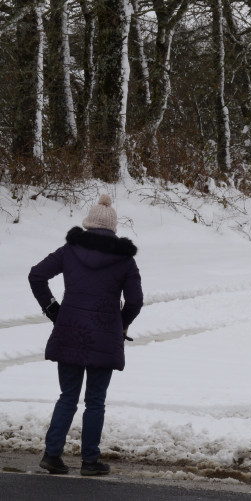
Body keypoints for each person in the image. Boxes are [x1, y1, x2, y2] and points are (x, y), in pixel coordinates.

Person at [28, 194, 143, 476]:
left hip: (70, 332)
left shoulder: (69, 250)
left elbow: (36, 275)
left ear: (88, 224)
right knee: (95, 401)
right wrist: (121, 323)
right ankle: (90, 461)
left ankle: (51, 455)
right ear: (113, 228)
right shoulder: (124, 259)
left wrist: (54, 311)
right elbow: (135, 301)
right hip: (104, 337)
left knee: (67, 396)